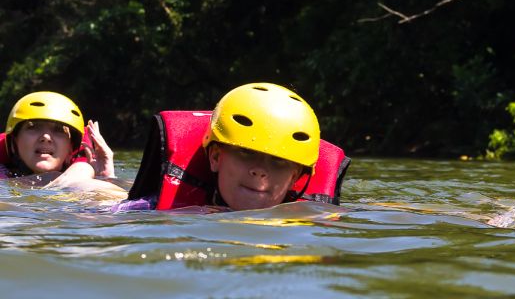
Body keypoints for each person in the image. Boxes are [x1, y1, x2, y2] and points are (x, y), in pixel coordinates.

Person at [116, 82, 350, 211]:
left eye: (278, 161)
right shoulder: (146, 208)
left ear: (294, 176)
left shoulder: (317, 221)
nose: (260, 170)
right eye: (247, 153)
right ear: (216, 157)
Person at [0, 91, 117, 192]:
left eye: (58, 130)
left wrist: (105, 177)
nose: (46, 137)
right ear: (14, 143)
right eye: (33, 127)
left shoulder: (81, 170)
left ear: (71, 149)